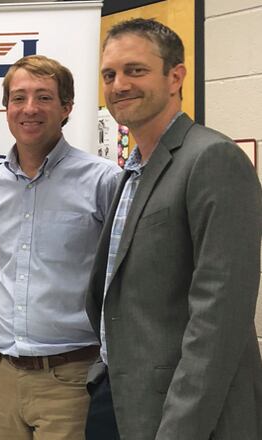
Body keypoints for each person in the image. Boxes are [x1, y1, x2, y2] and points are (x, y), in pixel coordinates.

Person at [85, 18, 262, 440]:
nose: (119, 84)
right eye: (109, 74)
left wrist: (180, 429)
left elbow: (218, 320)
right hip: (119, 397)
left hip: (179, 413)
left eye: (136, 70)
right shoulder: (132, 172)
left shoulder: (211, 158)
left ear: (175, 77)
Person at [0, 55, 121, 440]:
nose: (29, 109)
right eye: (18, 98)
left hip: (70, 379)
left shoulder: (104, 181)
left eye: (43, 97)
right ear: (6, 108)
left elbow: (120, 274)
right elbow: (3, 261)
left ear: (66, 108)